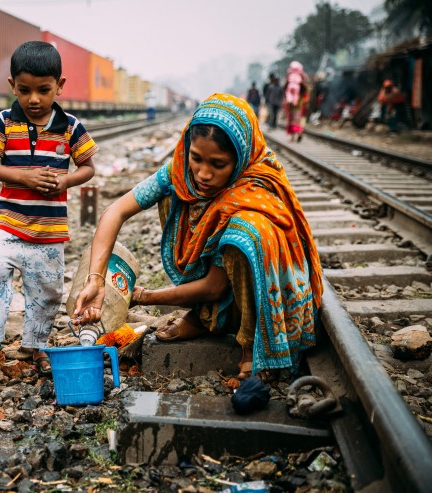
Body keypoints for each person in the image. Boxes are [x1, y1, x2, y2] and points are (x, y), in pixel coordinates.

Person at [72, 94, 323, 379]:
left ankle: (251, 344)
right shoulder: (180, 171)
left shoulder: (256, 185)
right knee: (173, 195)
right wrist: (96, 280)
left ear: (239, 157)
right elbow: (114, 212)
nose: (203, 174)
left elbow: (215, 287)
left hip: (260, 298)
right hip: (215, 286)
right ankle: (207, 317)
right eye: (196, 159)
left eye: (218, 165)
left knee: (246, 231)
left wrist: (143, 296)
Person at [0, 41, 98, 374]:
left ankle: (34, 345)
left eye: (44, 90)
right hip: (10, 224)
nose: (34, 99)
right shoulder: (3, 122)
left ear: (60, 86)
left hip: (49, 231)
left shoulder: (71, 126)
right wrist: (23, 177)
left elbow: (87, 167)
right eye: (24, 90)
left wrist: (67, 181)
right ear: (12, 85)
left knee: (47, 291)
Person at [283, 61, 309, 141]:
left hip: (290, 103)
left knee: (291, 119)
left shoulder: (289, 78)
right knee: (297, 119)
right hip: (299, 103)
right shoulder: (302, 79)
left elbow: (284, 88)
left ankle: (292, 137)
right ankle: (299, 133)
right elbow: (306, 89)